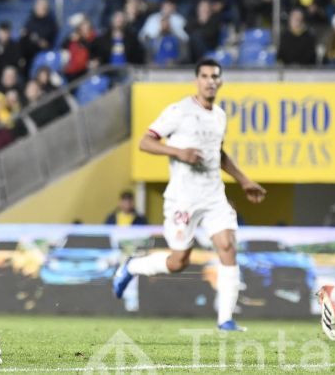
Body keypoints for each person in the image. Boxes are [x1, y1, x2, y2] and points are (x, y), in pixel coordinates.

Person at [112, 58, 266, 331]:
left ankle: (226, 320)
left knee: (228, 246)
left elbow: (218, 153)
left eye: (214, 76)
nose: (210, 81)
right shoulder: (179, 111)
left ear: (220, 81)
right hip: (183, 198)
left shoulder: (219, 116)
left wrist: (244, 180)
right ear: (197, 80)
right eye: (204, 76)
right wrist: (178, 152)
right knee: (178, 261)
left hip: (214, 196)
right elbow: (146, 142)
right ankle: (133, 267)